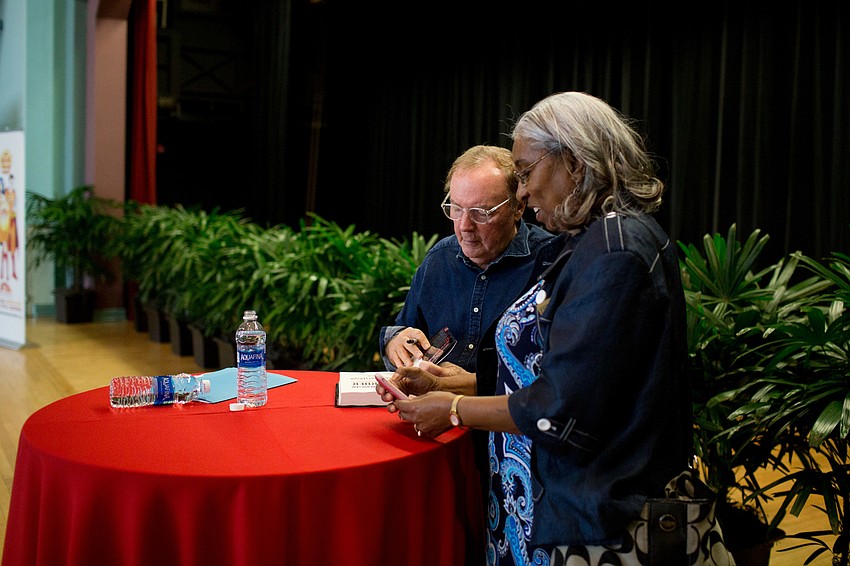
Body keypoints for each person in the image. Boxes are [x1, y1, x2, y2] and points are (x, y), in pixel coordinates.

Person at [379, 93, 732, 565]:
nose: (523, 193)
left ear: (575, 163)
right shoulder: (596, 240)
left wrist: (456, 408)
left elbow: (564, 407)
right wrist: (456, 384)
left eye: (525, 173)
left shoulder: (615, 252)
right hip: (566, 504)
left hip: (601, 520)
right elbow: (564, 374)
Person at [379, 144, 561, 373]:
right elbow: (405, 330)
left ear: (518, 207)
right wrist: (395, 342)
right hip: (431, 396)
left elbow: (557, 371)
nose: (464, 226)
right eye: (456, 209)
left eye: (480, 213)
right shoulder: (439, 259)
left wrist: (469, 386)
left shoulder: (551, 263)